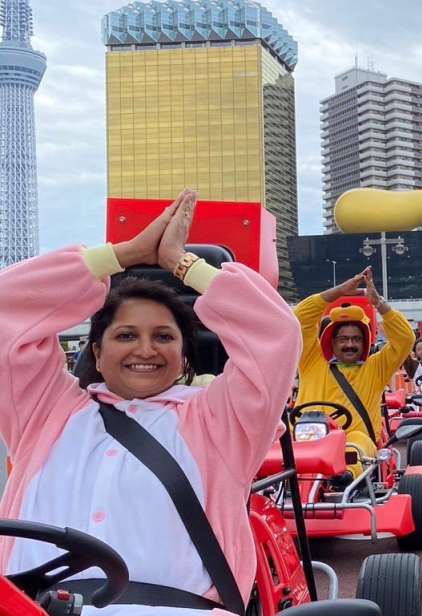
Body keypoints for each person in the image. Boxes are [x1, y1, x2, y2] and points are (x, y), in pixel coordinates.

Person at [0, 190, 301, 613]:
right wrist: (124, 254)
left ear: (183, 357)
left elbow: (276, 332)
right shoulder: (45, 413)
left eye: (163, 337)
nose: (145, 349)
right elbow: (6, 306)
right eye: (126, 336)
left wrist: (182, 262)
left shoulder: (219, 423)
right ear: (97, 354)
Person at [293, 268, 415, 478]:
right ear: (332, 341)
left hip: (354, 443)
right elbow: (300, 317)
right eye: (343, 339)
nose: (350, 344)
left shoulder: (376, 367)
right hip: (305, 439)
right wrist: (339, 291)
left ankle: (342, 482)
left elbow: (405, 339)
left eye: (356, 339)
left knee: (354, 447)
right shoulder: (311, 360)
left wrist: (378, 303)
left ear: (365, 342)